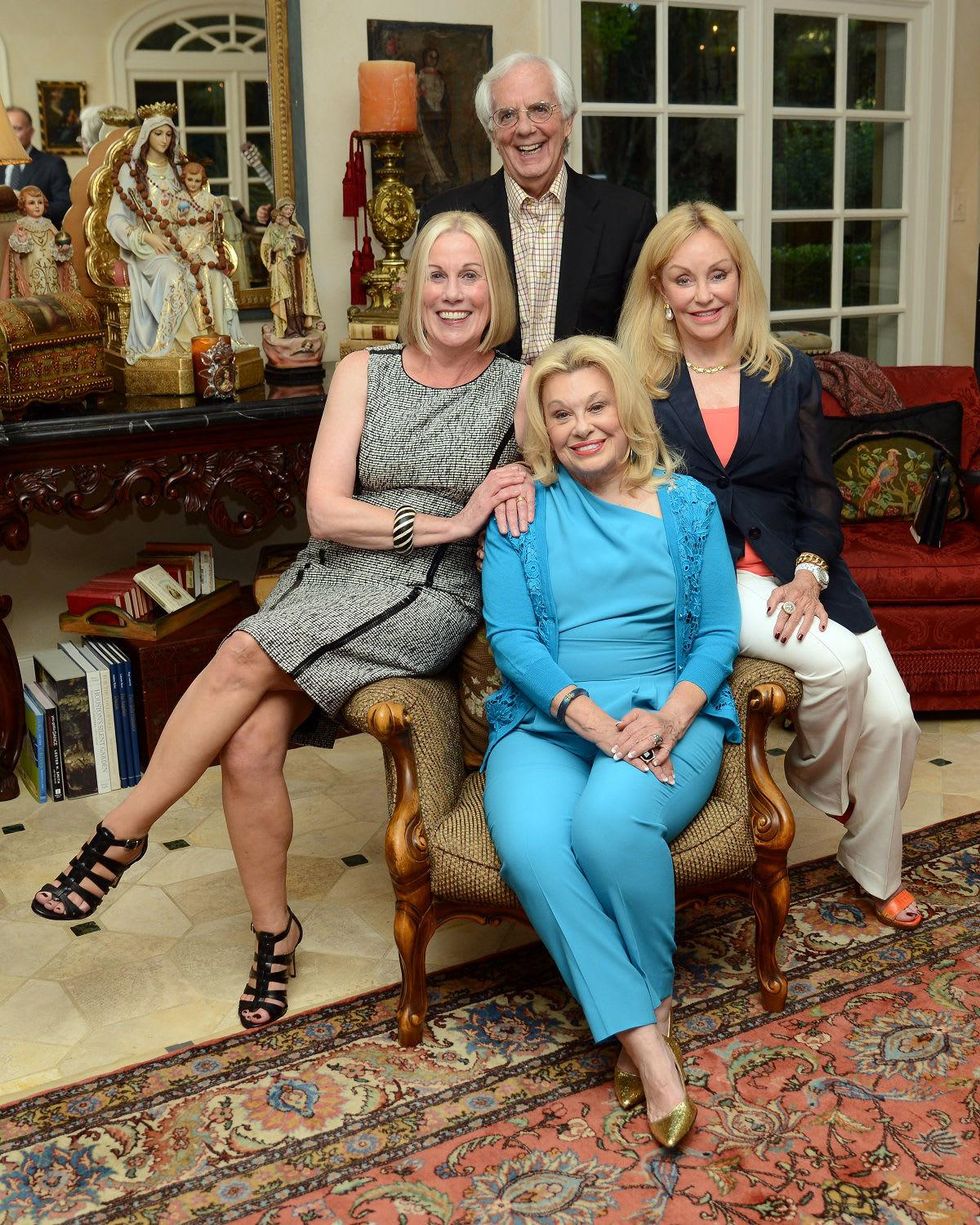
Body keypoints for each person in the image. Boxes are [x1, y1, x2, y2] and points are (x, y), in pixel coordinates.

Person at [30, 211, 535, 1031]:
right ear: (415, 287)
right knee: (250, 740)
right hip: (335, 568)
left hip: (427, 592)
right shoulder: (364, 371)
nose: (453, 294)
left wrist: (493, 513)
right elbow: (326, 511)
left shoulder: (520, 389)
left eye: (470, 276)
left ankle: (120, 833)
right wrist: (448, 518)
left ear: (494, 290)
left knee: (238, 655)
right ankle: (275, 935)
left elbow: (565, 476)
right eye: (438, 275)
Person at [618, 200, 921, 929]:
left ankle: (870, 860)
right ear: (659, 287)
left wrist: (812, 570)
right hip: (713, 576)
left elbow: (820, 490)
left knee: (896, 719)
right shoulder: (635, 379)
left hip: (801, 564)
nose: (704, 294)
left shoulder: (787, 371)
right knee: (841, 667)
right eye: (684, 279)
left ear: (741, 277)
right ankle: (817, 783)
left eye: (718, 274)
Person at [481, 335, 740, 1147]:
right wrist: (592, 721)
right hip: (550, 718)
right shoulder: (523, 510)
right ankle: (647, 1037)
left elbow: (719, 632)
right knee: (532, 846)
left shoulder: (687, 504)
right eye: (562, 414)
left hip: (669, 712)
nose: (583, 426)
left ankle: (649, 998)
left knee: (607, 822)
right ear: (543, 428)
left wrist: (668, 718)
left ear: (626, 409)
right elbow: (512, 639)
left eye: (596, 406)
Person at [419, 52, 655, 363]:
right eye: (507, 116)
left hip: (588, 392)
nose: (525, 128)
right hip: (482, 393)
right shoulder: (446, 216)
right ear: (492, 134)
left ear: (567, 121)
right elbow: (419, 335)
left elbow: (644, 341)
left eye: (539, 109)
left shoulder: (626, 217)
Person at [106, 115, 247, 363]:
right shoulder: (131, 171)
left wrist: (206, 218)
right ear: (147, 135)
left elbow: (196, 204)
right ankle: (186, 347)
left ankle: (215, 340)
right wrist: (146, 237)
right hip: (149, 248)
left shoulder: (179, 169)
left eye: (168, 134)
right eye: (158, 133)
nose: (164, 139)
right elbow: (115, 219)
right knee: (173, 275)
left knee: (212, 270)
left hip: (185, 241)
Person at [260, 197, 321, 338]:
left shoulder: (296, 228)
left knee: (297, 297)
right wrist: (275, 250)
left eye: (291, 209)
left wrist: (293, 243)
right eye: (286, 208)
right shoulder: (272, 229)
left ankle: (299, 328)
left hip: (295, 267)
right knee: (285, 297)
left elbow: (302, 248)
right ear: (280, 210)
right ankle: (288, 329)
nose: (289, 211)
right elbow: (265, 249)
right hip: (281, 267)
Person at [2, 184, 78, 297]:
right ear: (23, 206)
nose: (37, 206)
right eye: (32, 203)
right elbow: (15, 255)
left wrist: (62, 249)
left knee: (54, 299)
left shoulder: (49, 225)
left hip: (51, 275)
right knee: (35, 301)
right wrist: (22, 241)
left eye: (40, 202)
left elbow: (58, 247)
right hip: (31, 275)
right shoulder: (21, 226)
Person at [4, 107, 71, 227]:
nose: (11, 135)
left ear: (31, 132)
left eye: (17, 128)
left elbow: (65, 206)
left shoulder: (53, 164)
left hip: (39, 235)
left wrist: (31, 208)